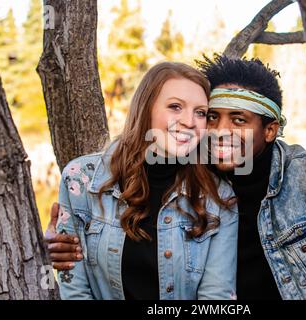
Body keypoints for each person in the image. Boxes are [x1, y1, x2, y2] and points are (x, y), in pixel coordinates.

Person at [47, 55, 306, 300]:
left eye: (239, 120)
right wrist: (51, 247)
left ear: (270, 130)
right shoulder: (194, 176)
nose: (219, 131)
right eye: (212, 116)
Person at [52, 61, 238, 300]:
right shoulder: (82, 179)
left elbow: (217, 296)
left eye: (200, 112)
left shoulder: (218, 196)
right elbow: (74, 289)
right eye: (175, 107)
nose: (189, 122)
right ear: (146, 108)